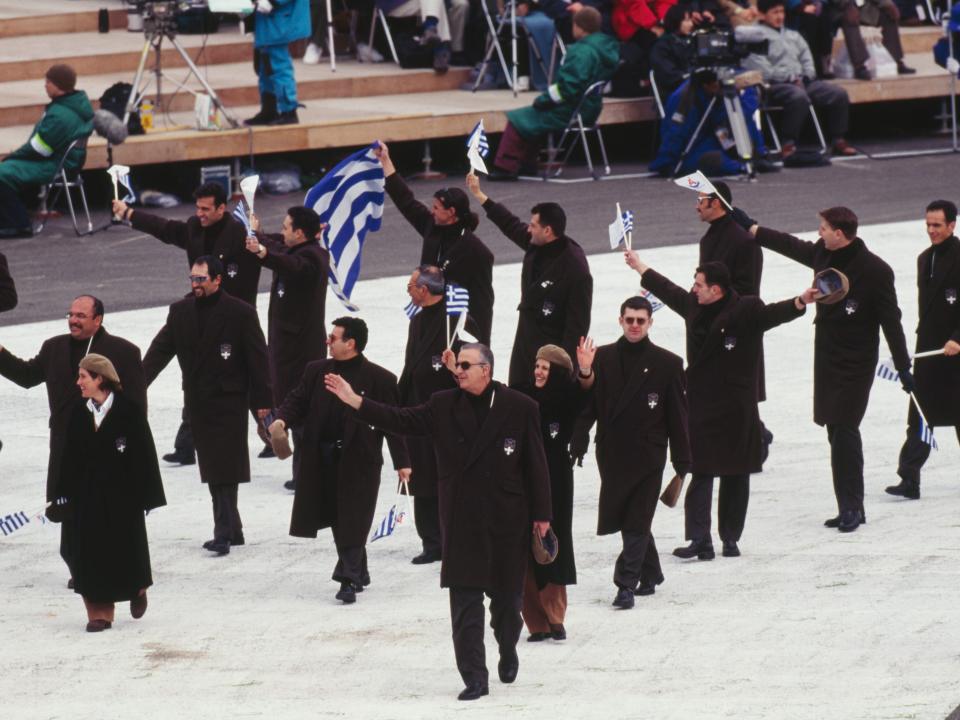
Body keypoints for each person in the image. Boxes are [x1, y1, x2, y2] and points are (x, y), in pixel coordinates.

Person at [325, 343, 551, 701]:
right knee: (464, 606)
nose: (457, 369)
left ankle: (508, 647)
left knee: (508, 605)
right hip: (461, 520)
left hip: (506, 521)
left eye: (465, 365)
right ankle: (475, 677)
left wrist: (542, 517)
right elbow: (401, 419)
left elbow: (536, 465)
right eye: (457, 364)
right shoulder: (443, 404)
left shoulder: (520, 408)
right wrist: (356, 401)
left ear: (486, 370)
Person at [627, 255, 813, 558]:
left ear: (717, 290)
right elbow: (667, 289)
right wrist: (639, 266)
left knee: (736, 473)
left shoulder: (746, 309)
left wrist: (800, 300)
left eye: (699, 285)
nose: (693, 289)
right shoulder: (693, 305)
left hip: (736, 404)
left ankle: (730, 538)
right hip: (700, 401)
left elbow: (772, 315)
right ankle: (700, 540)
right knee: (701, 470)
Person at [743, 206, 912, 532]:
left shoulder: (876, 270)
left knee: (845, 428)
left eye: (823, 228)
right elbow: (790, 245)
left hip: (856, 361)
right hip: (827, 358)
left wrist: (903, 366)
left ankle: (852, 507)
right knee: (835, 431)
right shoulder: (823, 253)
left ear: (840, 232)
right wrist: (750, 226)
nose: (819, 232)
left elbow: (892, 322)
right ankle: (850, 506)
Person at [114, 182, 261, 466]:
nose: (200, 213)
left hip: (232, 317)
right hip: (194, 308)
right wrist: (130, 214)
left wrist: (275, 236)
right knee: (161, 355)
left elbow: (271, 247)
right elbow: (166, 228)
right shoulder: (194, 227)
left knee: (251, 377)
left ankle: (271, 431)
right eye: (198, 207)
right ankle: (131, 394)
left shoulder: (241, 231)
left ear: (222, 208)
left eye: (206, 208)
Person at [0, 295, 145, 583]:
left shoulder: (123, 351)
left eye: (81, 315)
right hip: (65, 445)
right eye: (70, 314)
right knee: (65, 509)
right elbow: (28, 376)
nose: (73, 320)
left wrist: (130, 446)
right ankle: (80, 567)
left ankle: (104, 574)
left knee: (101, 510)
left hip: (104, 445)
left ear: (98, 319)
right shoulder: (54, 347)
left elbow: (136, 406)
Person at [269, 317, 410, 603]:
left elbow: (393, 423)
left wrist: (402, 461)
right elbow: (297, 400)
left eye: (333, 338)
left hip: (360, 461)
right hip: (323, 458)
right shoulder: (316, 371)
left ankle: (348, 578)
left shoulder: (381, 379)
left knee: (354, 517)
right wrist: (281, 420)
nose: (327, 341)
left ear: (351, 343)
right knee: (337, 517)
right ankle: (359, 569)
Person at [143, 256, 272, 555]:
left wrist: (264, 403)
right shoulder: (180, 311)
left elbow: (259, 361)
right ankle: (233, 529)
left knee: (222, 467)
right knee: (215, 466)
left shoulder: (240, 313)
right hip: (198, 401)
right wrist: (135, 384)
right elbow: (159, 352)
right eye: (192, 279)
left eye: (201, 279)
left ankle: (223, 533)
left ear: (217, 279)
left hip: (229, 401)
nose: (195, 284)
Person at [572, 297, 691, 609]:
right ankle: (650, 573)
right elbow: (589, 406)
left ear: (650, 323)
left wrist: (682, 460)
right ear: (620, 320)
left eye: (641, 320)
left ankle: (625, 584)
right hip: (611, 454)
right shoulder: (603, 358)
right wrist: (579, 439)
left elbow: (678, 416)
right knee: (629, 517)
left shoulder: (669, 364)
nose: (635, 325)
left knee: (637, 519)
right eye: (630, 320)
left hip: (648, 455)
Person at [54, 354, 166, 633]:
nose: (78, 382)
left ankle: (137, 588)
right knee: (88, 553)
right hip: (87, 497)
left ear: (99, 378)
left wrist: (148, 496)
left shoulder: (129, 411)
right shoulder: (79, 413)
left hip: (122, 497)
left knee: (125, 549)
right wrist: (62, 493)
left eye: (83, 377)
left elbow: (145, 455)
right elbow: (67, 457)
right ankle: (99, 613)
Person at [466, 173, 592, 386]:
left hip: (549, 352)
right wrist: (479, 195)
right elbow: (510, 224)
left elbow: (577, 325)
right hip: (525, 341)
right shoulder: (537, 244)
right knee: (518, 398)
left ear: (548, 230)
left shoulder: (575, 269)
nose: (528, 229)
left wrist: (565, 368)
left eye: (533, 225)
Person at [377, 141, 495, 345]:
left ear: (451, 213)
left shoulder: (475, 250)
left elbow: (483, 302)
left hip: (455, 323)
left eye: (437, 208)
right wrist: (386, 161)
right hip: (427, 312)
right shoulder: (432, 225)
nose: (432, 211)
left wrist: (481, 343)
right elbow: (406, 200)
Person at [247, 206, 330, 491]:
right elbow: (276, 245)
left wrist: (262, 253)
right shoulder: (294, 248)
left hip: (302, 352)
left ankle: (307, 474)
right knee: (291, 407)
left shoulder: (314, 257)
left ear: (299, 232)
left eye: (285, 227)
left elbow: (289, 265)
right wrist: (257, 235)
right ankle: (303, 471)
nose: (281, 231)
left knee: (303, 412)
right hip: (285, 348)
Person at [490, 6, 620, 179]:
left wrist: (543, 100)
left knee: (519, 119)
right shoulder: (607, 48)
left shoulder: (582, 52)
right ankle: (527, 163)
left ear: (580, 27)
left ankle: (505, 167)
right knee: (532, 118)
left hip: (571, 109)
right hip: (591, 106)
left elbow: (567, 88)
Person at [887, 200, 960, 500]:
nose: (931, 230)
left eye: (937, 225)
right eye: (928, 225)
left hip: (956, 351)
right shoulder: (923, 259)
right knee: (919, 415)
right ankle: (909, 478)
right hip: (930, 351)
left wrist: (958, 337)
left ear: (952, 225)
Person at [515, 345, 584, 642]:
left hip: (557, 477)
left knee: (553, 542)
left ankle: (555, 616)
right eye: (537, 365)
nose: (539, 372)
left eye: (545, 367)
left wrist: (585, 370)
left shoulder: (567, 398)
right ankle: (536, 622)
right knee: (525, 546)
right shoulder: (520, 394)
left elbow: (586, 393)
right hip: (523, 477)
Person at [742, 0, 857, 158]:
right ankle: (788, 143)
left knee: (838, 94)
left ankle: (838, 139)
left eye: (781, 12)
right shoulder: (755, 36)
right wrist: (789, 77)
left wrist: (806, 75)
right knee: (798, 96)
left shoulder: (792, 34)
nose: (780, 16)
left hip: (802, 81)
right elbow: (761, 69)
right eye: (775, 12)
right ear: (762, 14)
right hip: (774, 85)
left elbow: (806, 58)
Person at [398, 265, 459, 564]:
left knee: (445, 478)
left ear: (424, 289)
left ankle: (452, 540)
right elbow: (410, 365)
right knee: (421, 476)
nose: (408, 290)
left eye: (411, 285)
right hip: (416, 410)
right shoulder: (416, 322)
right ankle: (431, 542)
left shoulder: (456, 321)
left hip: (446, 413)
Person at [0, 64, 93, 238]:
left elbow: (39, 149)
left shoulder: (60, 114)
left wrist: (12, 156)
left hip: (55, 165)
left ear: (58, 85)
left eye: (48, 81)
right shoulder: (74, 105)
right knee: (9, 169)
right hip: (64, 161)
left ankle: (18, 224)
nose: (45, 85)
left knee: (2, 172)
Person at [650, 68, 774, 178]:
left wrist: (750, 91)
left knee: (744, 123)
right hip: (694, 148)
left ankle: (758, 157)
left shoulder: (720, 92)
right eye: (717, 84)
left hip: (716, 138)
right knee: (717, 160)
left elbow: (738, 118)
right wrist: (668, 164)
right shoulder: (685, 97)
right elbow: (674, 135)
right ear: (706, 85)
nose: (721, 87)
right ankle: (743, 166)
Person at [245, 0, 310, 125]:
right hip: (265, 16)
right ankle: (269, 109)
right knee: (265, 66)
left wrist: (272, 2)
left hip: (278, 15)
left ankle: (289, 111)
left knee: (279, 66)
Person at [833, 0, 915, 81]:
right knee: (850, 17)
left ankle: (896, 61)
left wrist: (887, 4)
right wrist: (847, 4)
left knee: (889, 13)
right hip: (839, 8)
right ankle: (859, 66)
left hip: (863, 6)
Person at [383, 0, 469, 73]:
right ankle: (441, 49)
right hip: (396, 3)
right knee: (438, 6)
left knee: (460, 4)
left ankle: (432, 32)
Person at [649, 5, 695, 98]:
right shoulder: (662, 46)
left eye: (690, 20)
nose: (691, 24)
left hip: (693, 88)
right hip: (674, 93)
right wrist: (690, 76)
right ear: (676, 21)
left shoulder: (691, 42)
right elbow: (669, 75)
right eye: (686, 20)